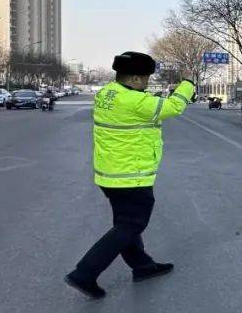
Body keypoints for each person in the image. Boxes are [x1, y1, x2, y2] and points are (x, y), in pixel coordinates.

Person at [64, 52, 196, 299]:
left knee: (126, 224)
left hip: (111, 175)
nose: (147, 83)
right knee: (131, 225)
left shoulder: (106, 93)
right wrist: (188, 83)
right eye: (145, 78)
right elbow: (174, 107)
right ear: (135, 78)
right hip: (131, 176)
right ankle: (84, 273)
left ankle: (142, 266)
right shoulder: (136, 102)